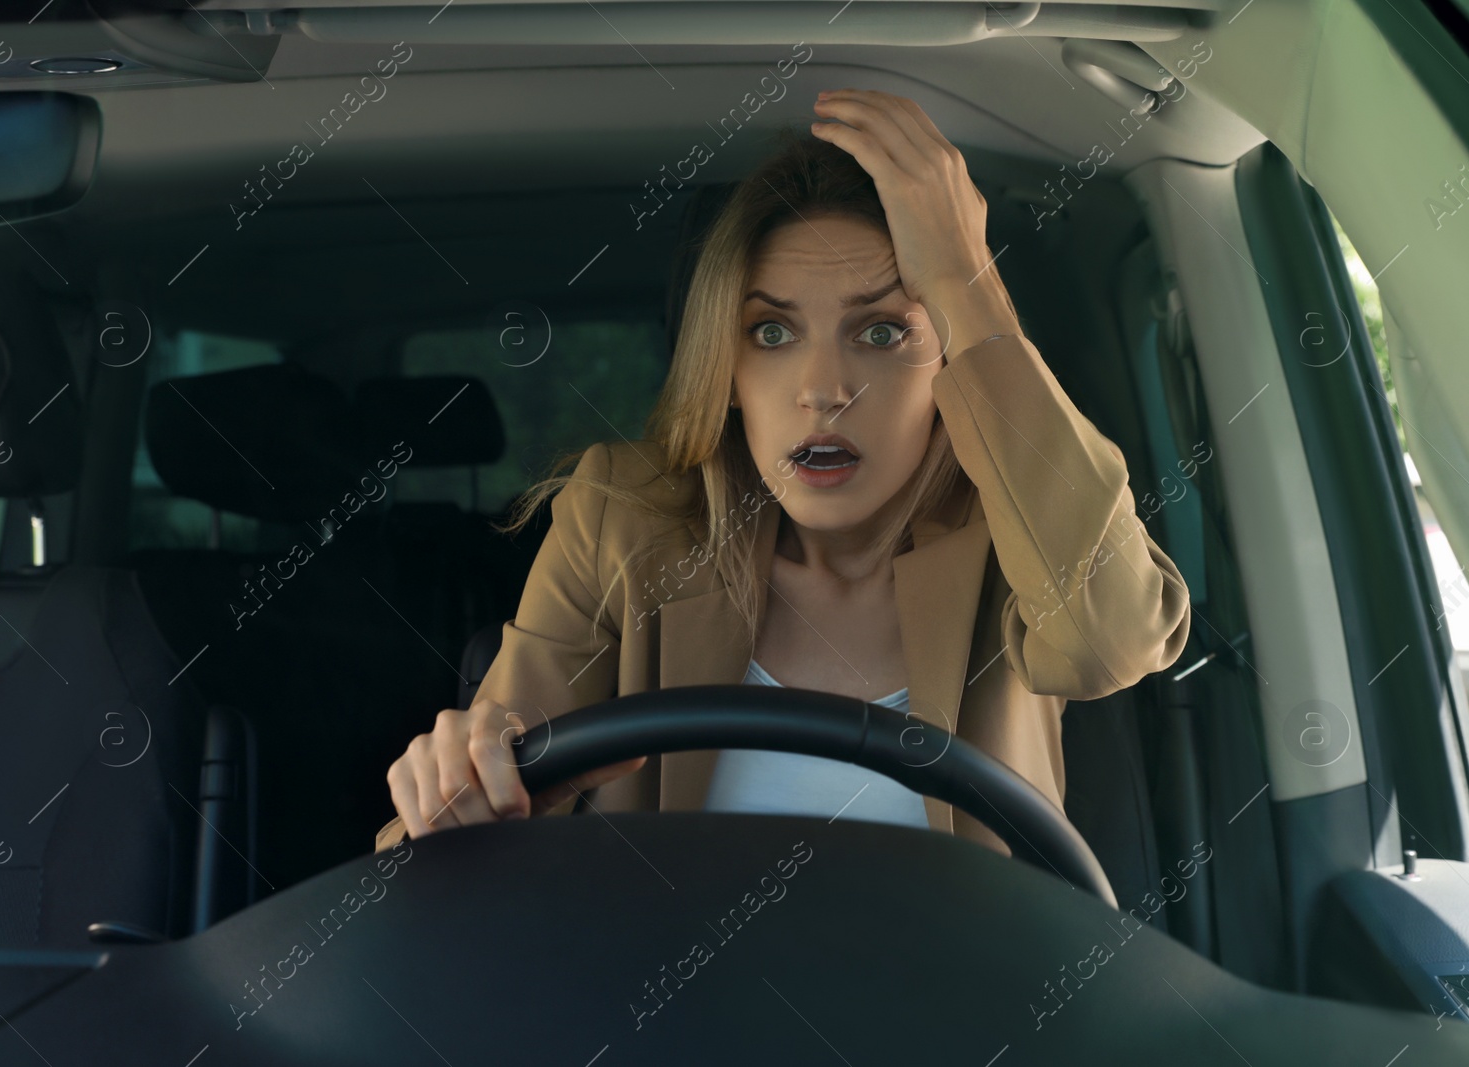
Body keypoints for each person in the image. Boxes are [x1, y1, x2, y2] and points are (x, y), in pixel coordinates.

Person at [378, 88, 1191, 856]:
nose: (823, 390)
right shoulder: (619, 518)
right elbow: (442, 855)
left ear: (948, 360)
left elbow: (1111, 639)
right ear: (724, 371)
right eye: (771, 333)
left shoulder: (1016, 535)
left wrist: (964, 278)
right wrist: (457, 802)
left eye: (882, 332)